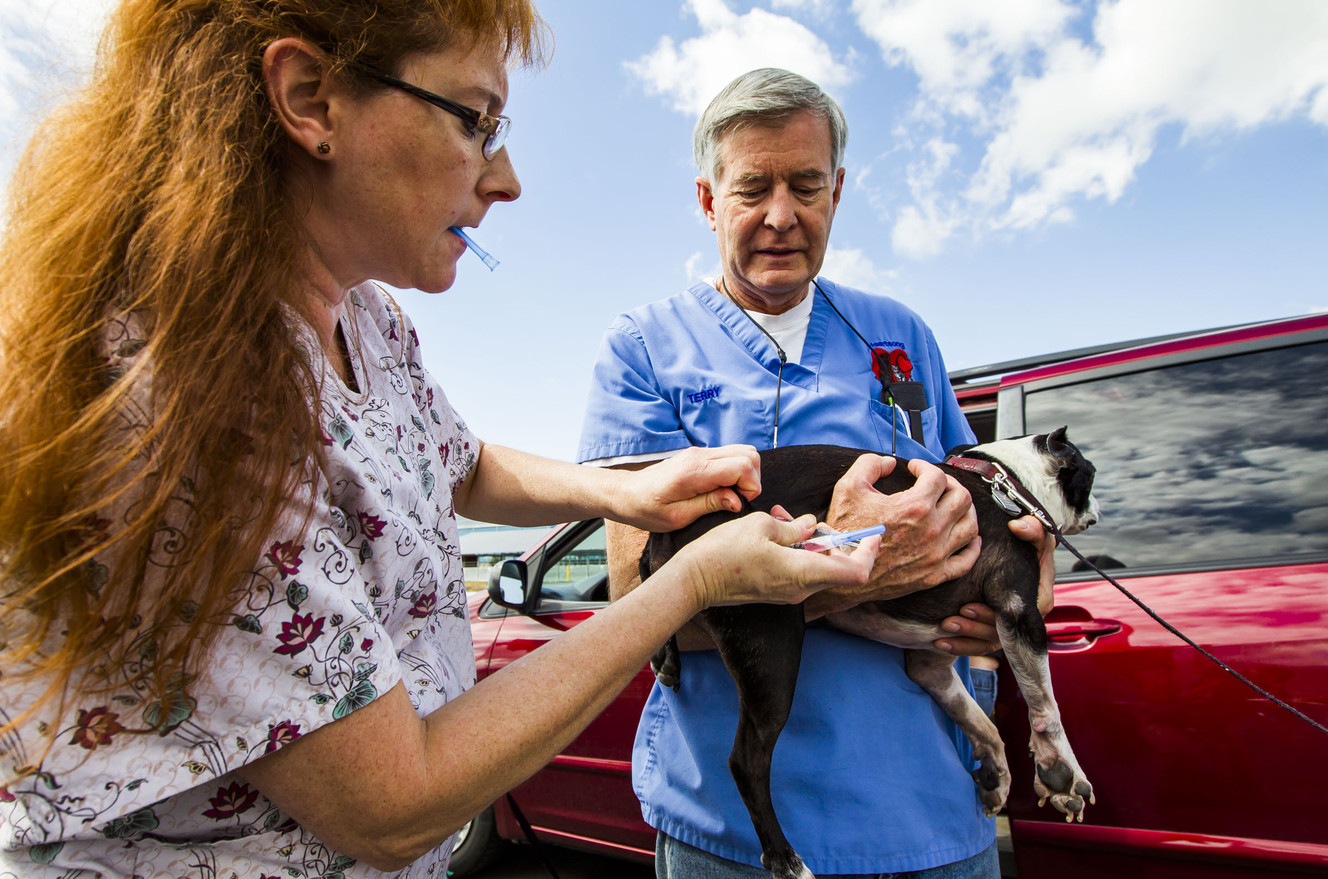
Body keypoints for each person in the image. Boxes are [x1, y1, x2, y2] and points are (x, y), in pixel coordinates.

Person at [0, 8, 884, 877]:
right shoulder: (186, 390)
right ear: (310, 101)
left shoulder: (368, 315)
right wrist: (696, 576)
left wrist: (625, 489)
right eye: (477, 122)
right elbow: (393, 807)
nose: (506, 179)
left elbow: (460, 462)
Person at [578, 68, 1053, 878]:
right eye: (752, 187)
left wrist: (1018, 583)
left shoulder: (900, 335)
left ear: (837, 189)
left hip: (931, 811)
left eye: (805, 185)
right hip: (728, 831)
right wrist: (853, 563)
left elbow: (986, 518)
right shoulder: (646, 348)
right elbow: (635, 595)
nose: (780, 215)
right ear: (707, 200)